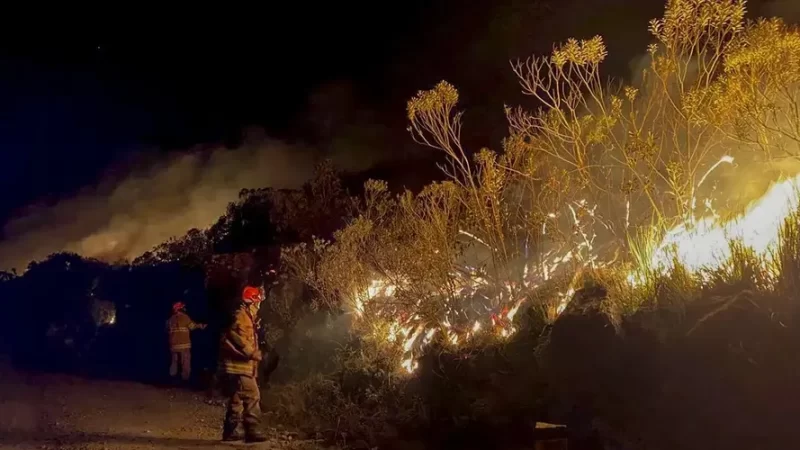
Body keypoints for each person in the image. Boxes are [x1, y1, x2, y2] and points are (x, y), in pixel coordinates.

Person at [218, 286, 268, 443]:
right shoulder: (241, 316)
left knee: (237, 398)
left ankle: (231, 432)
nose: (259, 305)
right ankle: (252, 431)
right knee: (253, 396)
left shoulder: (247, 316)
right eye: (258, 301)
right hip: (239, 366)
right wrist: (250, 352)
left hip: (239, 366)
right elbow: (232, 335)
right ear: (253, 302)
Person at [166, 301, 207, 381]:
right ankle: (185, 378)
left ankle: (172, 377)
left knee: (174, 361)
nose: (185, 309)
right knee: (185, 362)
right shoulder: (185, 317)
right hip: (184, 345)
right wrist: (201, 326)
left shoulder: (170, 319)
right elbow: (192, 327)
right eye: (183, 307)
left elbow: (166, 330)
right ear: (180, 309)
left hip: (173, 346)